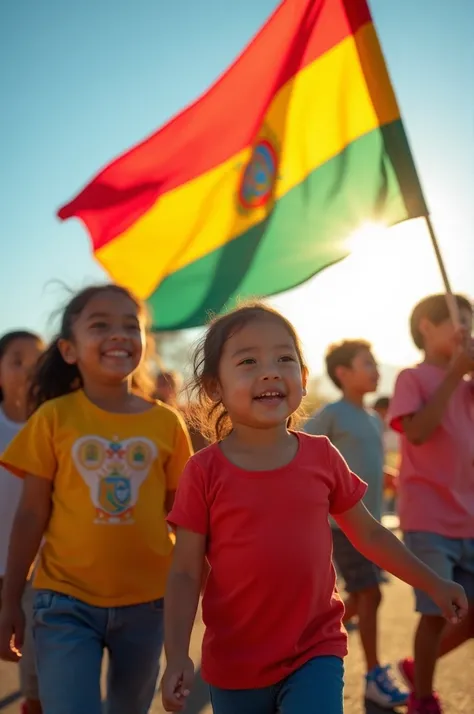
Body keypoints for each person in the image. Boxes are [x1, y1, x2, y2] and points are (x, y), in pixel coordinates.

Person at [159, 302, 467, 714]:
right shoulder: (203, 471)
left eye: (284, 358)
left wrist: (433, 582)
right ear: (214, 387)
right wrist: (177, 654)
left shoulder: (321, 456)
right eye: (248, 361)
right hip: (235, 659)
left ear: (303, 380)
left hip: (314, 648)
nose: (270, 371)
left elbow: (371, 534)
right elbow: (184, 571)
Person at [0, 284, 193, 714]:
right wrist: (10, 599)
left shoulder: (167, 424)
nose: (120, 334)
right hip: (63, 601)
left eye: (131, 325)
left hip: (148, 603)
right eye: (100, 325)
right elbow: (31, 513)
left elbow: (185, 519)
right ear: (69, 350)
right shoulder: (52, 418)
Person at [304, 340, 406, 708]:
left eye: (376, 362)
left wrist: (388, 475)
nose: (376, 369)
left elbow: (362, 463)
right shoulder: (332, 413)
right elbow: (301, 447)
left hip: (372, 524)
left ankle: (310, 627)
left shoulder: (369, 418)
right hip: (340, 524)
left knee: (362, 595)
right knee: (371, 594)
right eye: (367, 363)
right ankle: (374, 675)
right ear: (343, 373)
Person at [387, 293, 474, 714]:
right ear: (426, 326)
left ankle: (417, 667)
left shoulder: (467, 384)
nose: (467, 333)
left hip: (469, 515)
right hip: (428, 516)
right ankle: (422, 697)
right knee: (438, 611)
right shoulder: (412, 378)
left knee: (471, 616)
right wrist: (454, 374)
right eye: (459, 323)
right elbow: (418, 432)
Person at [0, 330, 45, 714]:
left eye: (37, 362)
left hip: (38, 570)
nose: (29, 371)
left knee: (36, 671)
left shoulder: (52, 426)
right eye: (17, 360)